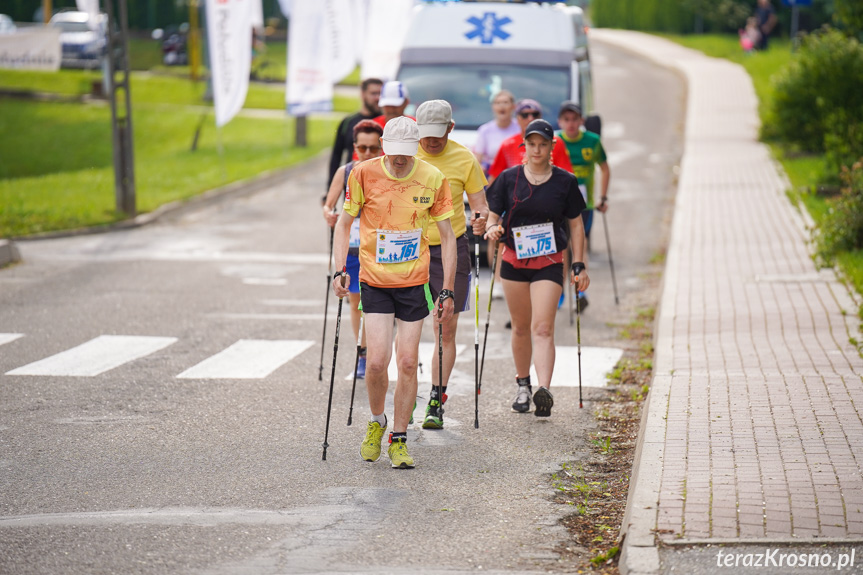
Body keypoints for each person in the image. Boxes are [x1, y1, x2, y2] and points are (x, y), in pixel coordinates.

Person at [332, 116, 458, 469]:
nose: (399, 160)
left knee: (406, 361)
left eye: (406, 153)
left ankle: (399, 438)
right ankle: (377, 421)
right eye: (393, 153)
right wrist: (340, 268)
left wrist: (446, 289)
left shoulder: (433, 178)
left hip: (414, 283)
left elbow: (447, 237)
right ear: (384, 146)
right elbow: (344, 223)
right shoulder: (363, 174)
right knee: (375, 362)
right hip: (374, 280)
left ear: (415, 147)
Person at [483, 119, 590, 417]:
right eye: (532, 144)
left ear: (552, 146)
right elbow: (493, 215)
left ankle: (544, 389)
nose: (537, 149)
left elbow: (576, 225)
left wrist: (579, 264)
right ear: (524, 146)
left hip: (550, 260)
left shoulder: (564, 181)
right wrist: (492, 229)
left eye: (543, 144)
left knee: (542, 328)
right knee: (520, 327)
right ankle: (523, 386)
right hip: (514, 260)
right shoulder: (508, 178)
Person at [415, 99, 489, 429]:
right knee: (409, 325)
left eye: (438, 134)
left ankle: (435, 399)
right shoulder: (406, 155)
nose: (431, 141)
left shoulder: (464, 158)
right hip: (408, 250)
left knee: (445, 327)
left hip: (452, 249)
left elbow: (480, 205)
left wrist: (481, 220)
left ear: (450, 127)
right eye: (425, 134)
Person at [322, 120, 384, 377]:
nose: (367, 154)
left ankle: (374, 348)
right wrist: (329, 214)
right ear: (355, 146)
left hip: (380, 248)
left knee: (373, 303)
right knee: (356, 301)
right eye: (362, 148)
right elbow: (328, 204)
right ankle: (363, 352)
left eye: (373, 148)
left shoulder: (386, 171)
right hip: (352, 248)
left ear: (381, 147)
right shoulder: (345, 171)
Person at [556, 101, 610, 311]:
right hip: (559, 203)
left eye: (574, 120)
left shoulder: (592, 141)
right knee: (562, 248)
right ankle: (560, 291)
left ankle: (580, 290)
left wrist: (603, 198)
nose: (571, 124)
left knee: (580, 244)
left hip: (583, 204)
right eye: (566, 120)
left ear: (581, 121)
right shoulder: (554, 141)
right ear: (560, 121)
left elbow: (605, 168)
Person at [488, 98, 573, 183]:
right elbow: (494, 180)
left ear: (540, 117)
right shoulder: (507, 145)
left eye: (535, 114)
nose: (530, 118)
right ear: (517, 118)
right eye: (525, 115)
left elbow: (566, 177)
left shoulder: (555, 142)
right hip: (516, 194)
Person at [326, 78, 383, 192]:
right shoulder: (348, 122)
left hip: (380, 187)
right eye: (373, 93)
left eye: (380, 94)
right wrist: (329, 190)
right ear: (362, 94)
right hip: (351, 185)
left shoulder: (387, 121)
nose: (377, 98)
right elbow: (336, 155)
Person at [473, 89, 520, 177]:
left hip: (516, 173)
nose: (501, 106)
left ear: (513, 106)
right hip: (492, 175)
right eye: (497, 103)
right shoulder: (485, 130)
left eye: (505, 102)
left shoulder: (520, 128)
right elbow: (477, 160)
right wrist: (480, 168)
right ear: (493, 107)